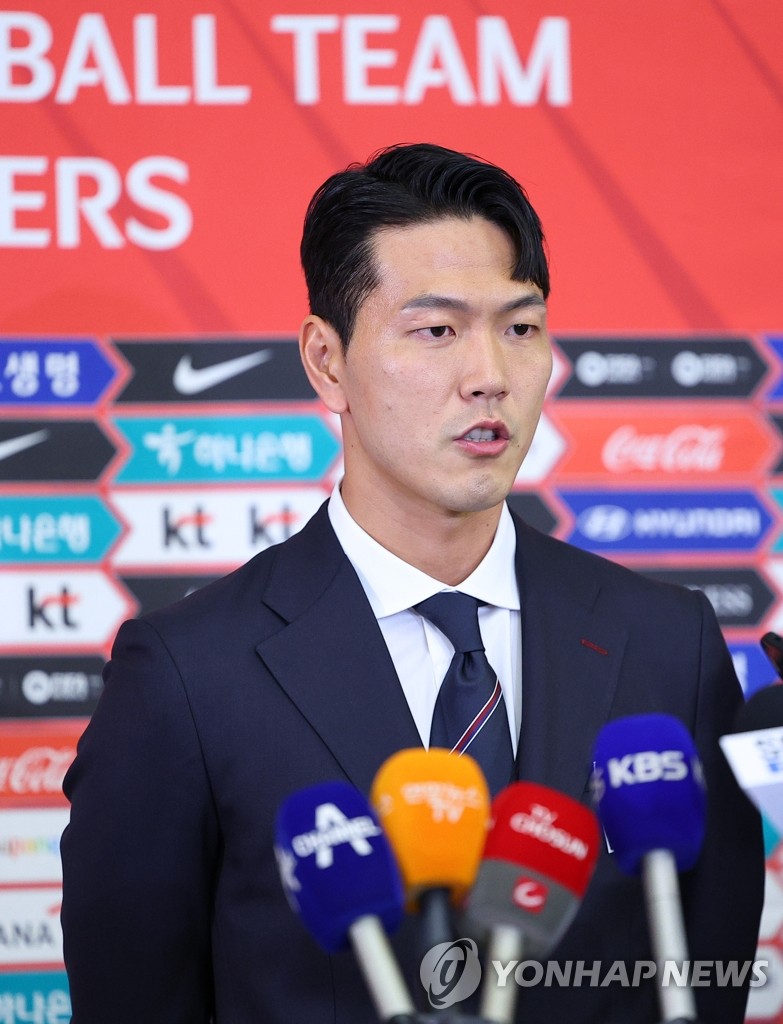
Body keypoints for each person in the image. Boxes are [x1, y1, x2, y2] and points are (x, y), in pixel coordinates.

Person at [60, 143, 764, 1023]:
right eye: (435, 332)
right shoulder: (188, 676)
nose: (490, 377)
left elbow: (707, 977)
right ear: (326, 361)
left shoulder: (669, 641)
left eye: (520, 328)